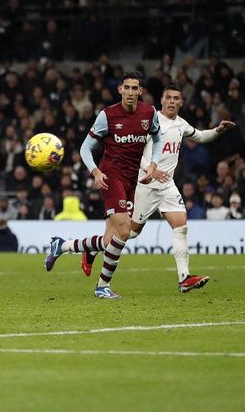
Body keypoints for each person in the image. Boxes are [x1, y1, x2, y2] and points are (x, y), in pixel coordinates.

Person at [81, 84, 235, 292]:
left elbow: (199, 136)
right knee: (127, 234)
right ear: (161, 101)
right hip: (145, 185)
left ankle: (184, 278)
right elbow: (136, 152)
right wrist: (149, 170)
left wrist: (217, 130)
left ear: (181, 102)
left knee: (181, 226)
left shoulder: (181, 124)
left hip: (167, 185)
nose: (172, 102)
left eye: (176, 98)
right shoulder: (149, 122)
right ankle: (91, 248)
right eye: (168, 98)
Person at [44, 71, 165, 299]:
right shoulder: (107, 116)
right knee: (125, 230)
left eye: (134, 88)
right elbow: (85, 148)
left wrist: (153, 164)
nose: (130, 92)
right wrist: (96, 172)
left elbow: (158, 139)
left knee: (111, 241)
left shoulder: (149, 113)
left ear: (141, 91)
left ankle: (62, 246)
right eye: (126, 88)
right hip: (111, 177)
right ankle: (102, 286)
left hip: (131, 180)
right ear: (119, 89)